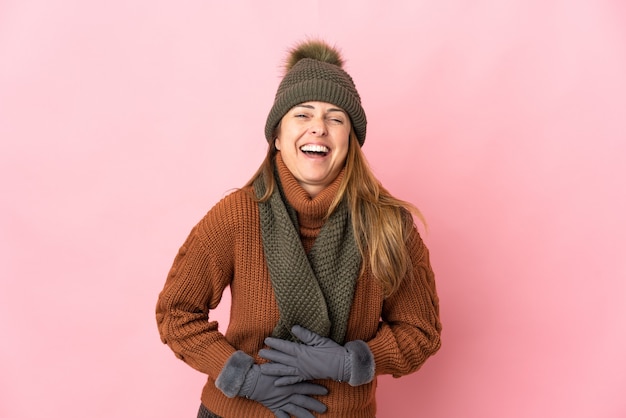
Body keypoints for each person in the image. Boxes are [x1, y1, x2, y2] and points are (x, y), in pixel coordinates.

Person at [156, 39, 442, 418]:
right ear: (277, 135)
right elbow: (176, 312)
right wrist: (244, 378)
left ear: (351, 142)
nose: (318, 128)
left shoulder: (389, 227)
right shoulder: (237, 216)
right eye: (302, 115)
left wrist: (350, 362)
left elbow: (420, 332)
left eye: (335, 118)